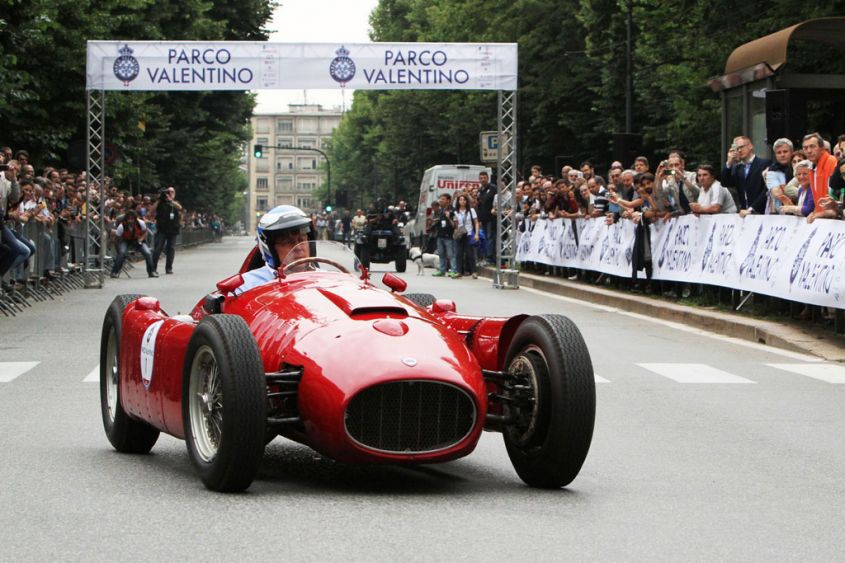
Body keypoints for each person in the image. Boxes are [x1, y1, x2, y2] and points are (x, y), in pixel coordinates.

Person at [232, 205, 311, 296]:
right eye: (288, 242)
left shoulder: (325, 278)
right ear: (270, 248)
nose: (299, 248)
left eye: (302, 240)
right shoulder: (246, 286)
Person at [721, 136, 771, 214]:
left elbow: (766, 190)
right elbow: (725, 183)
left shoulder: (764, 163)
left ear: (750, 146)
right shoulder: (738, 168)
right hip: (744, 213)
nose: (739, 150)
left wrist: (752, 209)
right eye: (737, 149)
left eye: (741, 147)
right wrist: (729, 163)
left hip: (761, 212)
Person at [110, 210, 157, 278]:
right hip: (125, 241)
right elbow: (117, 237)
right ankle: (114, 272)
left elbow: (145, 232)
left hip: (138, 240)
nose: (130, 221)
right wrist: (117, 247)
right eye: (128, 218)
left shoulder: (141, 223)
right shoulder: (122, 226)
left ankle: (151, 272)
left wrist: (141, 239)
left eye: (132, 219)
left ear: (135, 218)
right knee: (122, 253)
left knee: (148, 253)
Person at [152, 186, 182, 274]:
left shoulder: (174, 203)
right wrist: (158, 200)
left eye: (171, 192)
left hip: (173, 229)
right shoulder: (160, 202)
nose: (169, 194)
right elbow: (151, 210)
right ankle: (153, 268)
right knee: (158, 248)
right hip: (162, 229)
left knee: (171, 249)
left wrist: (171, 200)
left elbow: (179, 207)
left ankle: (169, 268)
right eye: (168, 192)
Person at [453, 193, 479, 279]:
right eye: (460, 200)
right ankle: (459, 271)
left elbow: (476, 222)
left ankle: (474, 271)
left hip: (468, 233)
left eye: (464, 200)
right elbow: (455, 224)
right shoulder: (456, 212)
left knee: (470, 254)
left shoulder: (471, 211)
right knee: (458, 254)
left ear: (466, 201)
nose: (462, 201)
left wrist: (476, 234)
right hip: (460, 234)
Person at [431, 193, 457, 278]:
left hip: (449, 235)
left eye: (443, 199)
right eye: (440, 199)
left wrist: (449, 217)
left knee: (451, 254)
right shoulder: (440, 210)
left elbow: (454, 224)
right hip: (440, 235)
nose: (440, 201)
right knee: (441, 254)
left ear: (448, 200)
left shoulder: (452, 210)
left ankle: (453, 270)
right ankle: (442, 270)